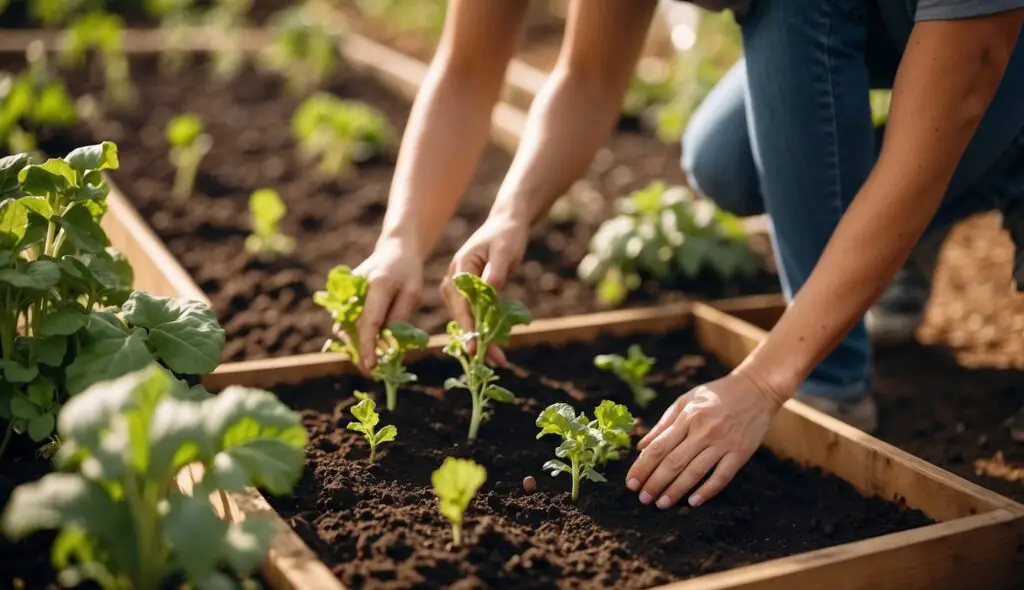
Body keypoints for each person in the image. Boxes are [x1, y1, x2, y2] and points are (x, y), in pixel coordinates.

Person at [353, 0, 1024, 509]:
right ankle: (894, 239)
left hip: (990, 35)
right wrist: (449, 227)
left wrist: (764, 383)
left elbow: (957, 99)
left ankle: (835, 385)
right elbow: (577, 75)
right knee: (724, 162)